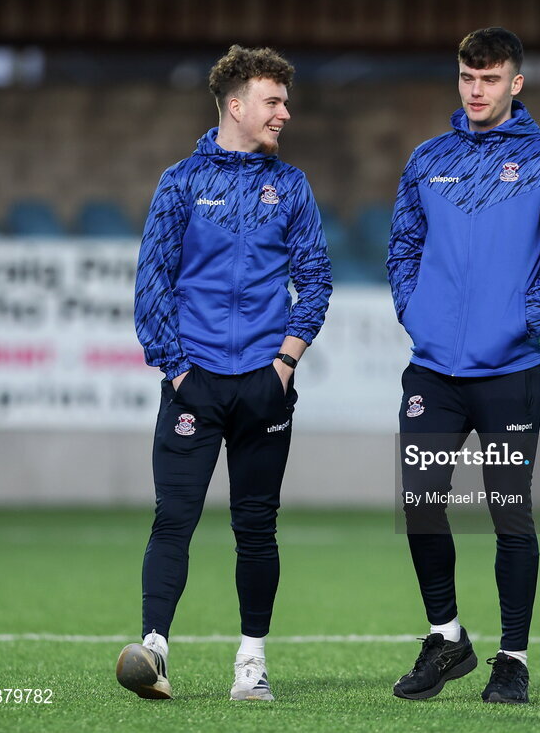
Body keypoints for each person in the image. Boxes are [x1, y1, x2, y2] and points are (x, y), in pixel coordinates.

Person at [116, 45, 332, 702]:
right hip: (195, 383)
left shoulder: (290, 186)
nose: (284, 114)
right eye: (274, 101)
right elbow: (151, 283)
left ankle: (251, 661)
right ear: (236, 105)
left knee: (256, 524)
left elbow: (316, 281)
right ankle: (153, 650)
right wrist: (178, 371)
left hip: (265, 384)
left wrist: (286, 363)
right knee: (173, 515)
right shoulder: (180, 182)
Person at [387, 27, 540, 705]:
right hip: (434, 371)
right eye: (468, 78)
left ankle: (513, 659)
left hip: (510, 373)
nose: (476, 90)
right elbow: (403, 245)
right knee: (420, 505)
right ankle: (447, 638)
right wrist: (417, 313)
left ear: (515, 84)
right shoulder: (427, 158)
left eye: (490, 79)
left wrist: (523, 321)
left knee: (509, 514)